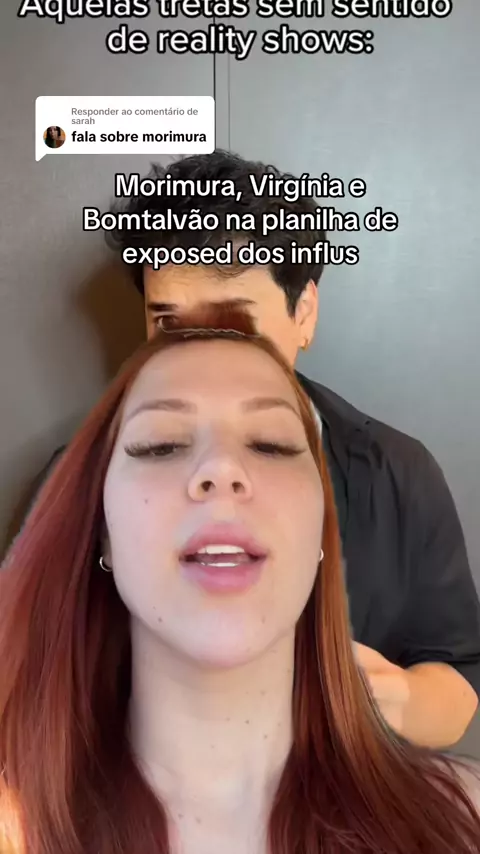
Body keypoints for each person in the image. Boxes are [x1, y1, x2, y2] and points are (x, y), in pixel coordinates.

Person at [29, 150, 480, 750]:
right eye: (169, 326)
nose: (201, 355)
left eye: (237, 326)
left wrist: (377, 697)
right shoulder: (81, 475)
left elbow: (457, 672)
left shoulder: (397, 472)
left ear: (304, 314)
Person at [2, 302, 480, 854]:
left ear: (321, 531)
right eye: (161, 444)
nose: (222, 470)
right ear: (102, 533)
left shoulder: (462, 822)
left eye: (271, 444)